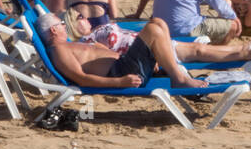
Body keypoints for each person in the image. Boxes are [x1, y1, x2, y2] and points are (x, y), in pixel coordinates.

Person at [38, 12, 222, 90]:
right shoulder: (59, 51)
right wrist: (119, 82)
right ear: (53, 30)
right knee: (152, 30)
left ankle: (170, 69)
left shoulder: (67, 45)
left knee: (158, 23)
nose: (64, 25)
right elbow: (81, 79)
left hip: (125, 63)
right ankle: (179, 79)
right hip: (122, 72)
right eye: (61, 24)